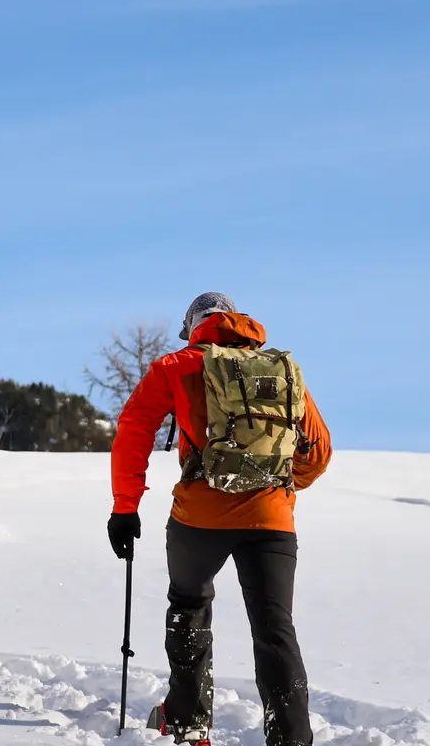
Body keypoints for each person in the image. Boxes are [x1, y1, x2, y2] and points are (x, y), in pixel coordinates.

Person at [106, 292, 333, 746]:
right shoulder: (279, 369)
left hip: (199, 517)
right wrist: (271, 487)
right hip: (271, 519)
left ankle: (188, 725)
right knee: (274, 626)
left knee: (189, 609)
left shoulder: (176, 365)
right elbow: (319, 451)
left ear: (193, 327)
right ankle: (291, 738)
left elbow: (134, 431)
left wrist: (124, 508)